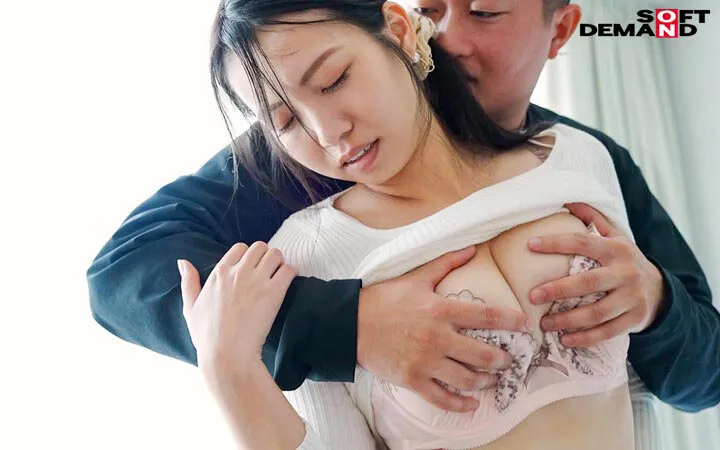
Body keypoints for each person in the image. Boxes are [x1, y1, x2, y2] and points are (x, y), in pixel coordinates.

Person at [86, 0, 719, 417]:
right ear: (399, 27)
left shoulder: (580, 160)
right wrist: (347, 324)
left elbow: (707, 371)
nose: (449, 37)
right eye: (431, 10)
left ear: (559, 30)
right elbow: (125, 275)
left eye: (486, 12)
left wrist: (657, 301)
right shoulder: (320, 142)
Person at [180, 2, 639, 448]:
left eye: (333, 80)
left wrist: (653, 296)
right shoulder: (307, 255)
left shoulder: (575, 157)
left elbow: (640, 384)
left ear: (399, 31)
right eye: (285, 122)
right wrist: (229, 373)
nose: (327, 132)